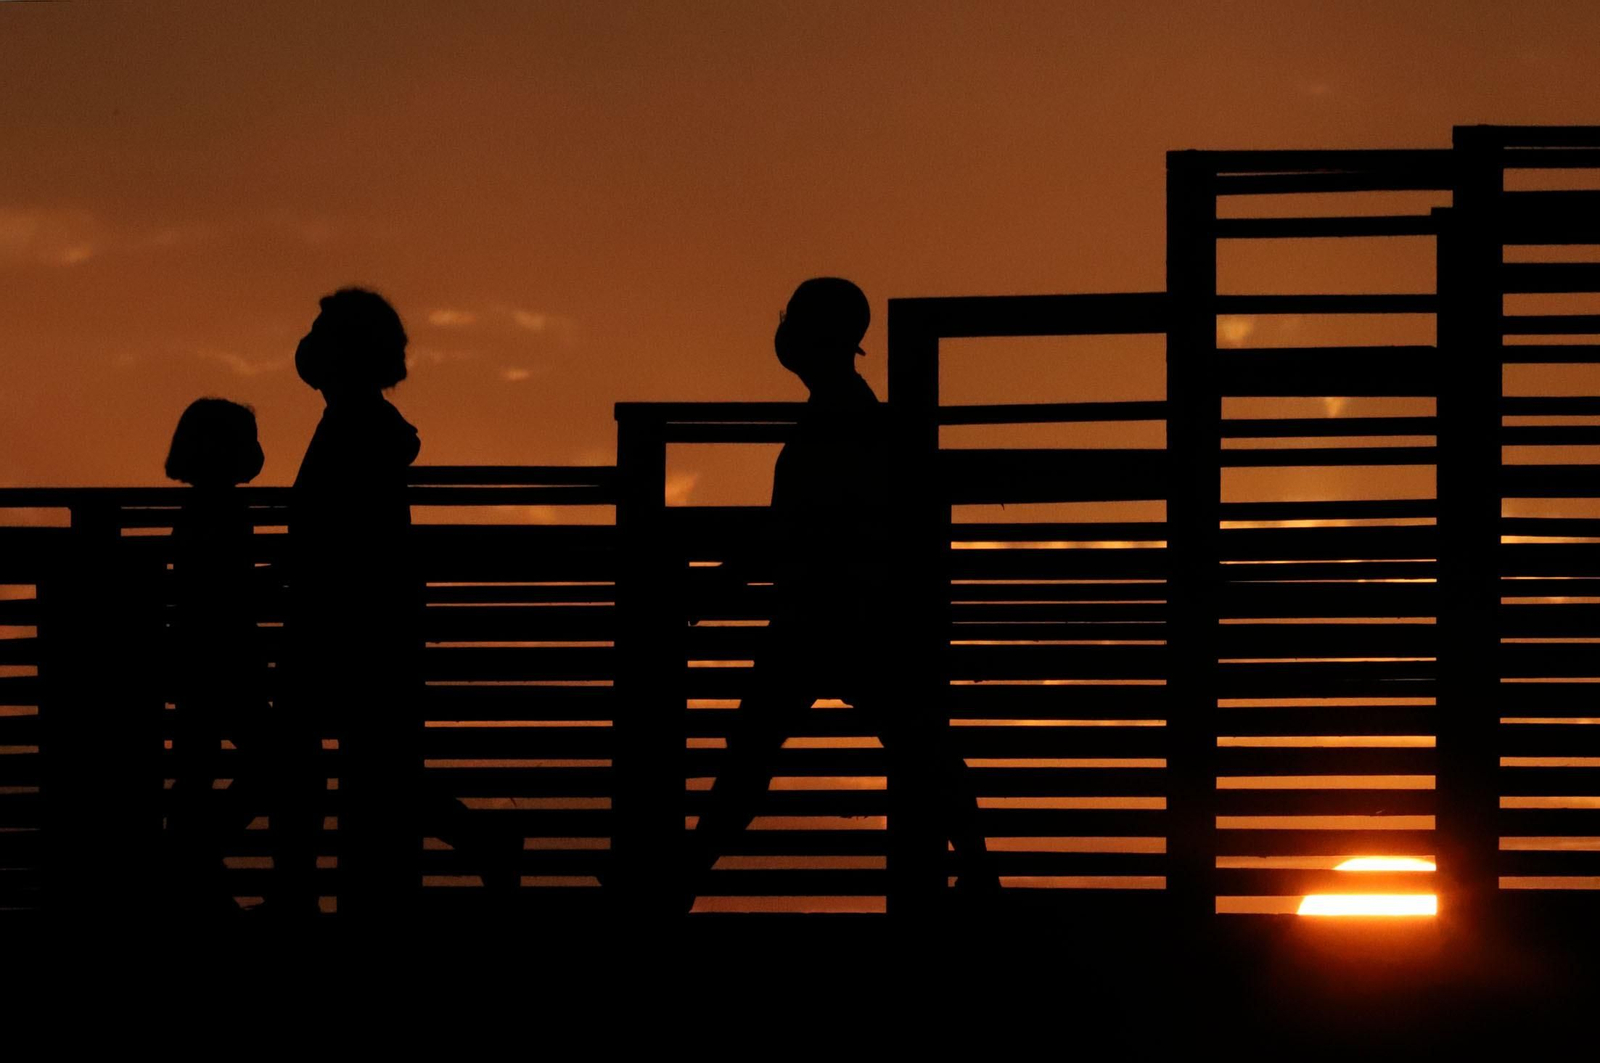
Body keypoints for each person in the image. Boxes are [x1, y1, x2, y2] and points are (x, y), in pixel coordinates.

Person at [690, 277, 994, 904]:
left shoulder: (834, 420)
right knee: (918, 743)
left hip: (824, 619)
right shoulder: (852, 413)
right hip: (854, 619)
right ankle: (978, 869)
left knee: (752, 759)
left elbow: (792, 526)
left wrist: (719, 583)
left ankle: (676, 884)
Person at [287, 287, 423, 923]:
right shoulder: (359, 423)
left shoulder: (353, 428)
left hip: (347, 622)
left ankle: (307, 898)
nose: (309, 342)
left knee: (342, 765)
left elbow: (339, 533)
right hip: (360, 619)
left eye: (321, 330)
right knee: (365, 767)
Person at [162, 397, 267, 919]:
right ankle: (196, 861)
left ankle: (192, 871)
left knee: (195, 770)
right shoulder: (223, 512)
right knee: (275, 765)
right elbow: (228, 596)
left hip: (197, 661)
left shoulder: (197, 511)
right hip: (226, 662)